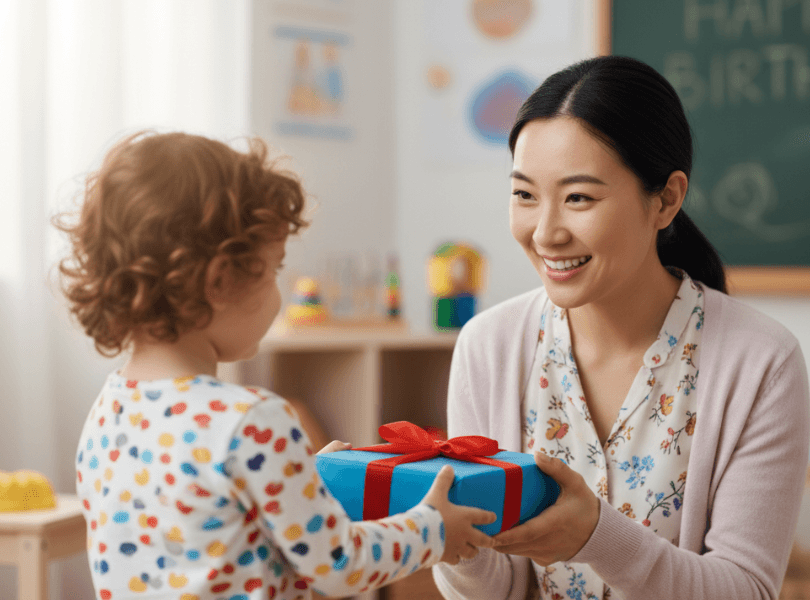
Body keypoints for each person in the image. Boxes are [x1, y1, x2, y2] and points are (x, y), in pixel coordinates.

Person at [432, 55, 810, 600]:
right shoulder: (488, 346)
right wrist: (455, 544)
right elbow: (498, 587)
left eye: (579, 198)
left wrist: (597, 538)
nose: (545, 232)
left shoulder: (761, 362)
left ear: (666, 200)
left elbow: (746, 590)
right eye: (524, 194)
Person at [57, 131, 496, 600]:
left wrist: (300, 476)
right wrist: (432, 530)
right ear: (222, 280)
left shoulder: (108, 411)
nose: (277, 292)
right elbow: (337, 565)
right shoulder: (252, 420)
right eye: (272, 269)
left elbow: (206, 525)